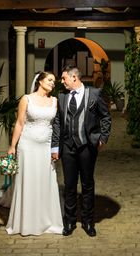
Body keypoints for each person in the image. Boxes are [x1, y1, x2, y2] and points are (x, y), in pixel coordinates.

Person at [51, 65, 111, 237]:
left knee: (87, 184)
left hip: (87, 146)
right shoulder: (61, 97)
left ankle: (87, 221)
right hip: (67, 148)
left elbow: (105, 116)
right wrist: (55, 146)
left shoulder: (94, 94)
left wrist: (102, 138)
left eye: (64, 78)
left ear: (74, 78)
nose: (61, 82)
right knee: (69, 185)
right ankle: (69, 221)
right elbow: (57, 123)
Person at [4, 71, 63, 235]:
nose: (53, 83)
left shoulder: (55, 101)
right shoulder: (26, 99)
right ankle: (26, 222)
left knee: (45, 180)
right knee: (28, 180)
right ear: (40, 81)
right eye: (50, 80)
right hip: (27, 145)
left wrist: (55, 147)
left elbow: (56, 126)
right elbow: (19, 123)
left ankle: (46, 220)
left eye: (54, 81)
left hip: (46, 146)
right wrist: (12, 146)